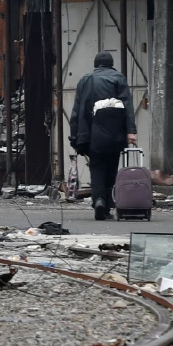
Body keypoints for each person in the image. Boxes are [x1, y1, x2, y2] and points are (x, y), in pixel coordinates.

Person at [69, 51, 138, 220]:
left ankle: (99, 200)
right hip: (115, 133)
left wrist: (74, 136)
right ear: (111, 64)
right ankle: (106, 205)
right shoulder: (119, 78)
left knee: (97, 166)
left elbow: (76, 111)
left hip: (92, 134)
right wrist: (131, 131)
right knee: (111, 167)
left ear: (96, 64)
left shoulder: (85, 80)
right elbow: (127, 106)